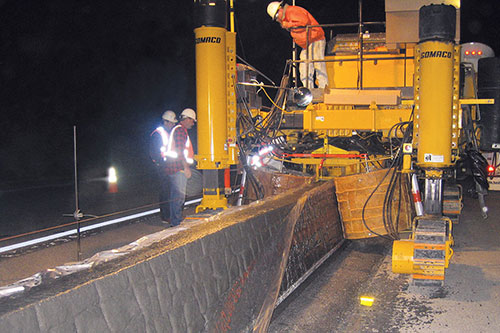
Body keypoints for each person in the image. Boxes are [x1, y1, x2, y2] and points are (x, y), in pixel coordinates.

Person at [267, 1, 328, 88]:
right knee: (304, 68)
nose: (277, 19)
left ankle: (323, 89)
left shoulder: (292, 11)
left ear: (280, 10)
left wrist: (287, 25)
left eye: (276, 17)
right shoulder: (288, 16)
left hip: (315, 39)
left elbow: (302, 23)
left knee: (318, 65)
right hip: (307, 44)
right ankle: (308, 91)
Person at [164, 108, 196, 226]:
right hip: (178, 168)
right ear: (187, 119)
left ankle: (175, 220)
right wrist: (186, 167)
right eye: (192, 121)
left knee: (176, 196)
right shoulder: (180, 131)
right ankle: (176, 222)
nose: (193, 124)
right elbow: (180, 150)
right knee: (179, 197)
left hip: (175, 167)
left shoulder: (178, 130)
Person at [150, 110, 178, 224]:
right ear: (166, 122)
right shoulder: (158, 134)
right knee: (165, 191)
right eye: (171, 123)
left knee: (171, 190)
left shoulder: (169, 133)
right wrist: (160, 164)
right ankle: (165, 215)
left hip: (170, 165)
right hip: (163, 167)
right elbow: (154, 152)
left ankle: (170, 214)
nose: (173, 125)